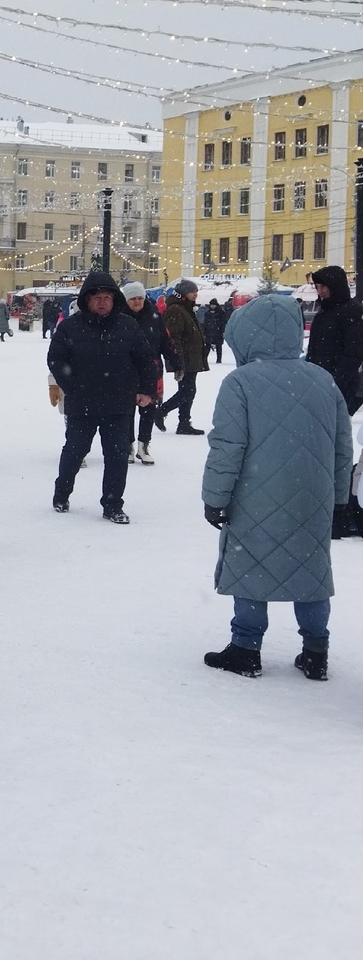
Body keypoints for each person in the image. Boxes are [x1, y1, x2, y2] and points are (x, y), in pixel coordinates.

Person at [201, 293, 353, 680]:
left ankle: (246, 648)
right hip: (312, 495)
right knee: (312, 570)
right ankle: (316, 650)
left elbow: (227, 446)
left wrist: (215, 498)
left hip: (255, 496)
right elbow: (341, 445)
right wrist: (338, 499)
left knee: (251, 565)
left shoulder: (241, 383)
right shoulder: (323, 380)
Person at [47, 270, 156, 524]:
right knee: (74, 452)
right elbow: (56, 358)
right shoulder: (70, 327)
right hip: (81, 404)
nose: (102, 301)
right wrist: (70, 385)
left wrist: (147, 390)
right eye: (97, 297)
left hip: (118, 405)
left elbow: (145, 360)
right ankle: (62, 493)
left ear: (114, 299)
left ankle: (112, 504)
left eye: (107, 297)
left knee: (117, 456)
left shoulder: (128, 326)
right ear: (86, 300)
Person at [122, 281, 176, 465]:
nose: (137, 302)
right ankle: (128, 445)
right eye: (133, 299)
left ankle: (143, 446)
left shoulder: (154, 315)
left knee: (148, 408)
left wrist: (176, 361)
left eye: (140, 298)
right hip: (126, 369)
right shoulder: (119, 316)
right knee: (127, 410)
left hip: (152, 368)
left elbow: (166, 340)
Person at [306, 264, 363, 414]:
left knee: (335, 429)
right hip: (319, 382)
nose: (321, 291)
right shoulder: (324, 311)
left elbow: (354, 353)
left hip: (340, 387)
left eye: (324, 286)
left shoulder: (351, 311)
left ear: (336, 286)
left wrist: (334, 382)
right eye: (318, 286)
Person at [157, 279, 207, 435]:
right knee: (187, 391)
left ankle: (184, 422)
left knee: (188, 391)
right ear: (184, 293)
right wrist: (178, 360)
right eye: (193, 292)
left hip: (191, 358)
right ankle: (161, 411)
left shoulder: (186, 308)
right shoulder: (176, 310)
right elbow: (174, 337)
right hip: (184, 358)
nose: (196, 294)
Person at [203, 299, 228, 366]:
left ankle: (219, 359)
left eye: (214, 305)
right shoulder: (207, 313)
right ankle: (204, 359)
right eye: (211, 305)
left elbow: (224, 322)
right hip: (209, 331)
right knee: (207, 345)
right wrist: (205, 331)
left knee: (218, 346)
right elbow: (205, 322)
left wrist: (222, 329)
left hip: (218, 331)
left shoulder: (221, 312)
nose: (212, 306)